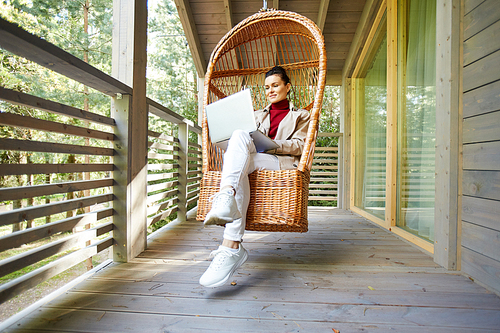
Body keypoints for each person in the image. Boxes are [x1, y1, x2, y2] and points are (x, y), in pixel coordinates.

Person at [199, 66, 310, 287]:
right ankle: (230, 234)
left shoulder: (301, 115)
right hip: (254, 160)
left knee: (240, 154)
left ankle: (230, 235)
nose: (270, 90)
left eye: (275, 85)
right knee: (239, 136)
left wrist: (270, 145)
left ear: (287, 87)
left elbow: (300, 146)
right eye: (267, 87)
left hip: (281, 163)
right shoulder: (258, 115)